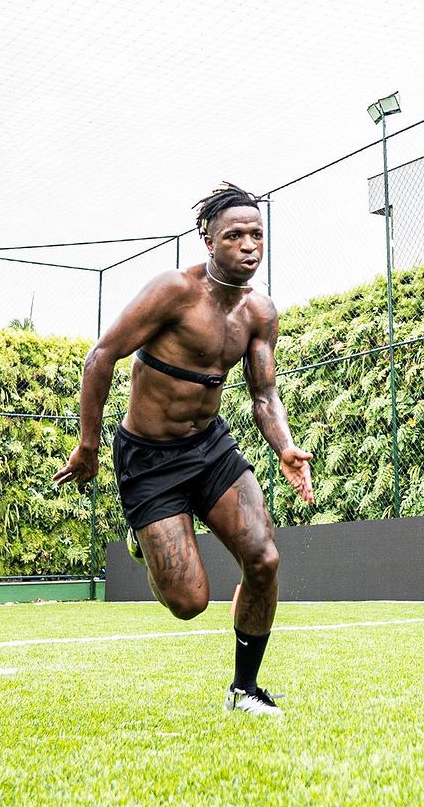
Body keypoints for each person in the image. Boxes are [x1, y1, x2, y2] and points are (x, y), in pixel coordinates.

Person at [53, 182, 314, 716]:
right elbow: (101, 357)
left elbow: (264, 394)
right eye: (235, 235)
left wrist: (285, 446)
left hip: (210, 448)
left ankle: (244, 689)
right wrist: (88, 445)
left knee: (264, 560)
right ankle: (144, 536)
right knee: (189, 602)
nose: (249, 246)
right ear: (207, 239)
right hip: (148, 457)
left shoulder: (260, 314)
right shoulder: (173, 291)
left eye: (257, 235)